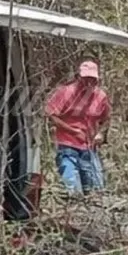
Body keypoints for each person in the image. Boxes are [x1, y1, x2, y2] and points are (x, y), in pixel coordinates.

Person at [44, 60, 111, 198]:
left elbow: (106, 118)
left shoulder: (100, 96)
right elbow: (51, 115)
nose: (88, 83)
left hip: (89, 146)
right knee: (73, 187)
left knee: (96, 190)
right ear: (79, 77)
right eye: (86, 79)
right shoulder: (66, 92)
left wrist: (100, 134)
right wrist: (73, 131)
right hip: (67, 144)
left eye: (92, 79)